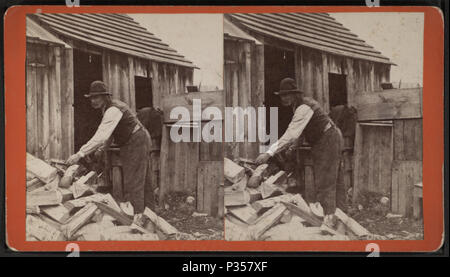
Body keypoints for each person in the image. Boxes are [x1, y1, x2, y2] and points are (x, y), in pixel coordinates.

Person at [255, 77, 345, 227]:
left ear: (294, 94)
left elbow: (291, 133)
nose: (283, 98)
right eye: (282, 95)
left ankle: (329, 222)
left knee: (325, 180)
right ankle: (342, 217)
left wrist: (268, 153)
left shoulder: (304, 108)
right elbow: (301, 133)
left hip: (328, 139)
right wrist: (292, 149)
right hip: (326, 138)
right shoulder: (298, 107)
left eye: (286, 95)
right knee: (333, 179)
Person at [66, 80, 154, 213]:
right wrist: (102, 149)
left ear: (105, 96)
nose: (93, 101)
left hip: (136, 140)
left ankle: (139, 219)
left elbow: (101, 135)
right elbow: (111, 133)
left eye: (96, 97)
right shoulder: (107, 109)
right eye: (91, 98)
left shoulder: (113, 110)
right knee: (143, 181)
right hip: (137, 139)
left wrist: (80, 154)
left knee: (133, 182)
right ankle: (150, 216)